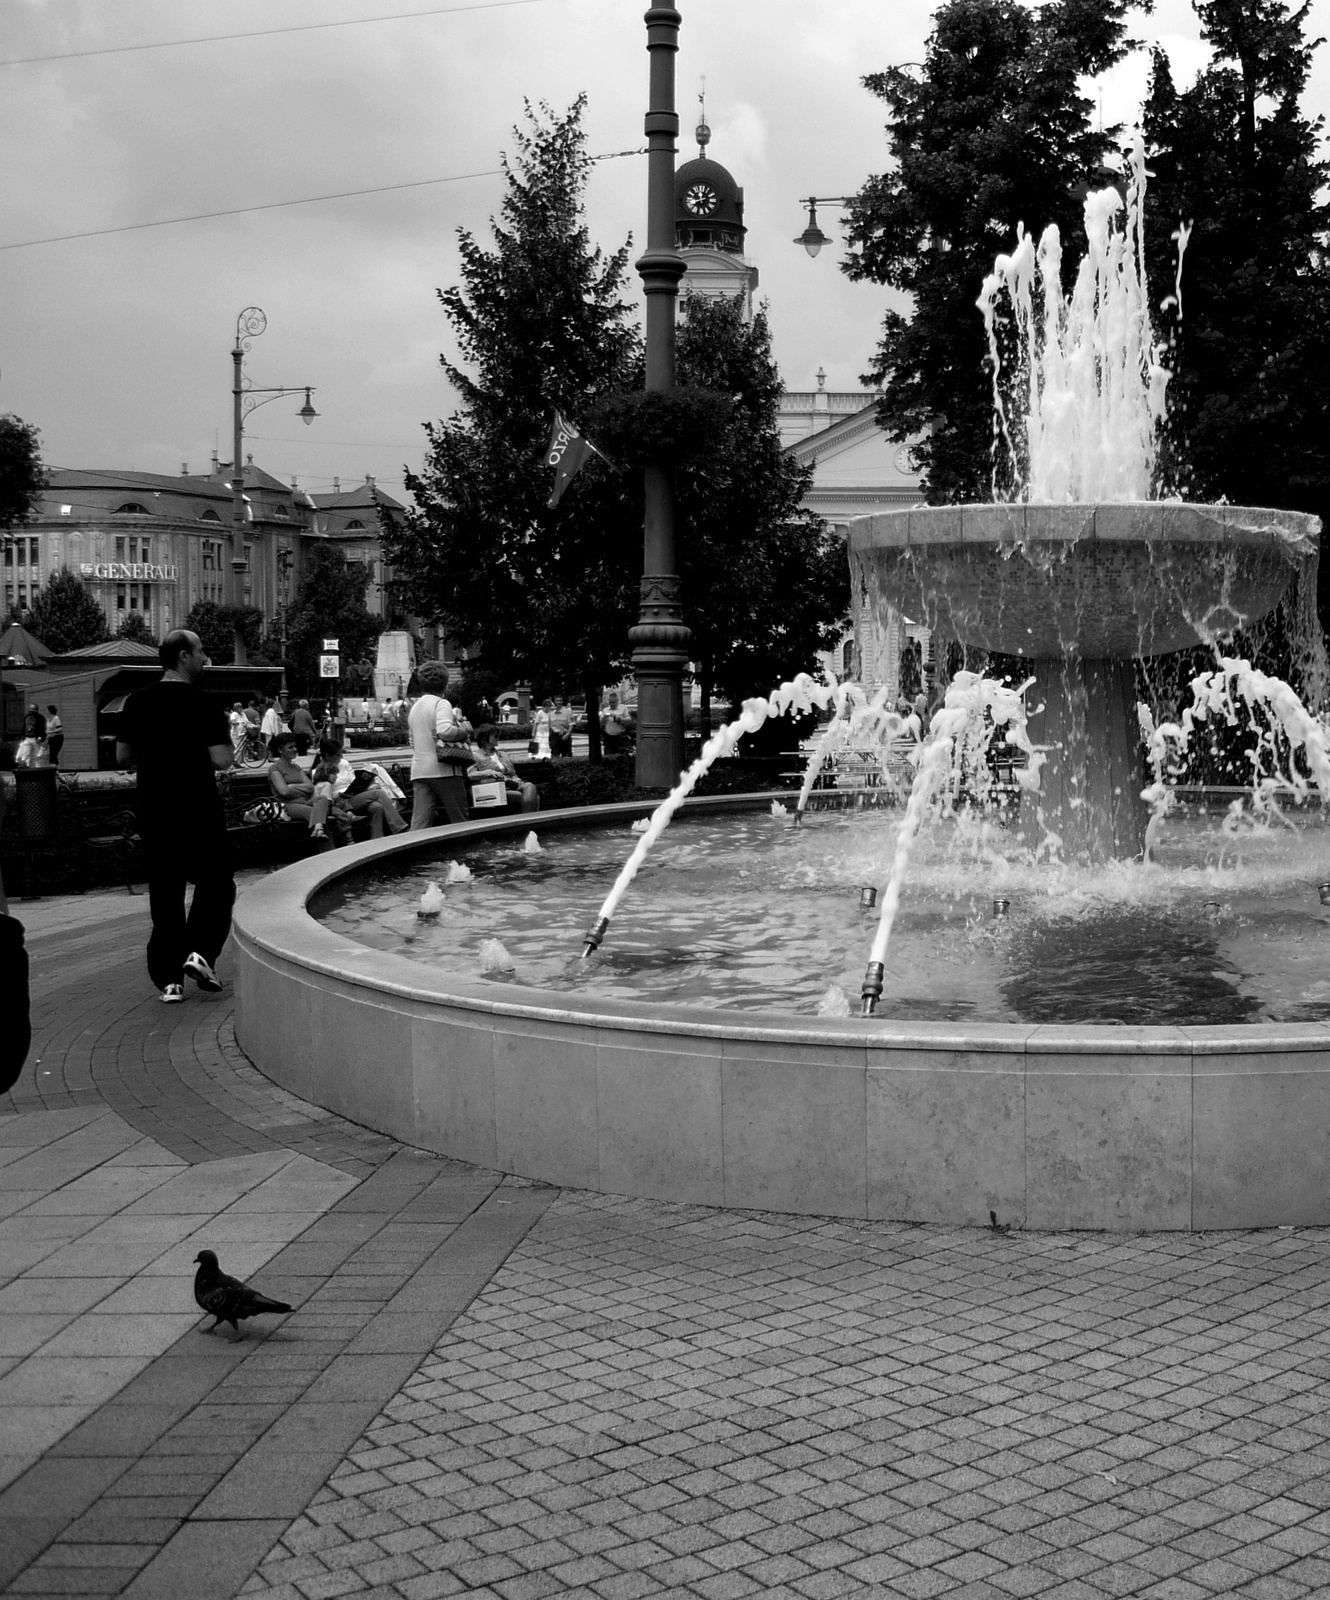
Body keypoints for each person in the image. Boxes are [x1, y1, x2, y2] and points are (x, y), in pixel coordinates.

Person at [116, 629, 235, 1004]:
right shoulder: (203, 703)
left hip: (155, 809)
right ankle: (200, 953)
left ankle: (170, 981)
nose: (205, 658)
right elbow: (222, 760)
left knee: (166, 892)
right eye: (200, 651)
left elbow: (122, 756)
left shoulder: (136, 702)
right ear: (183, 656)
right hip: (198, 808)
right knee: (217, 882)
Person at [408, 662, 473, 829]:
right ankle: (464, 853)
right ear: (445, 682)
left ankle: (414, 853)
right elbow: (444, 731)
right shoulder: (441, 703)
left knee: (419, 825)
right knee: (460, 821)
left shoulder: (415, 707)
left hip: (419, 771)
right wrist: (464, 730)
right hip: (444, 769)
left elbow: (411, 741)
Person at [313, 738, 407, 838]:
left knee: (376, 807)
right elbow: (322, 795)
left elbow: (354, 780)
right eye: (338, 755)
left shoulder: (344, 763)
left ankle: (377, 840)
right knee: (378, 793)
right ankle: (400, 827)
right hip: (340, 803)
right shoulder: (318, 771)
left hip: (354, 796)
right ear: (327, 755)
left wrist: (365, 785)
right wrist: (338, 795)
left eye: (341, 754)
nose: (341, 757)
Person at [267, 733, 335, 846]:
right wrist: (297, 789)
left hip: (305, 802)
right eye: (290, 747)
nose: (295, 750)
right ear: (280, 750)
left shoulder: (296, 767)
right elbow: (284, 792)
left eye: (295, 746)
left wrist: (292, 786)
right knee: (318, 813)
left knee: (323, 799)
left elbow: (310, 787)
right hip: (288, 806)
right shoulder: (275, 768)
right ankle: (326, 846)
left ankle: (318, 829)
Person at [470, 725, 539, 813]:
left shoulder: (503, 754)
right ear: (484, 738)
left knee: (530, 786)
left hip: (511, 785)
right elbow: (471, 774)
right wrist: (489, 772)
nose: (498, 738)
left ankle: (527, 820)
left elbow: (513, 775)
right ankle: (529, 821)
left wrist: (518, 780)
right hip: (492, 789)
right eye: (495, 736)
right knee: (531, 797)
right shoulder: (476, 756)